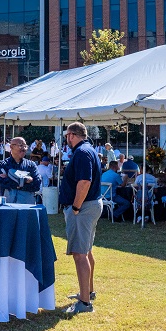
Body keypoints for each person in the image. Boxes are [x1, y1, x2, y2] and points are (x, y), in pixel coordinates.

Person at [59, 122, 103, 314]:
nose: (66, 139)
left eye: (67, 135)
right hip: (89, 205)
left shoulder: (82, 152)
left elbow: (84, 181)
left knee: (79, 254)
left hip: (83, 207)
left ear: (72, 135)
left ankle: (85, 303)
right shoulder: (88, 150)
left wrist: (76, 206)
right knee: (86, 251)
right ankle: (88, 292)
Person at [0, 136, 42, 204]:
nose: (23, 148)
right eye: (20, 145)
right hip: (8, 206)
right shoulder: (3, 165)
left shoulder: (31, 165)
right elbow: (2, 183)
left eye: (25, 146)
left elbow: (37, 184)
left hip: (27, 206)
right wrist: (25, 180)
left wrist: (11, 178)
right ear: (11, 147)